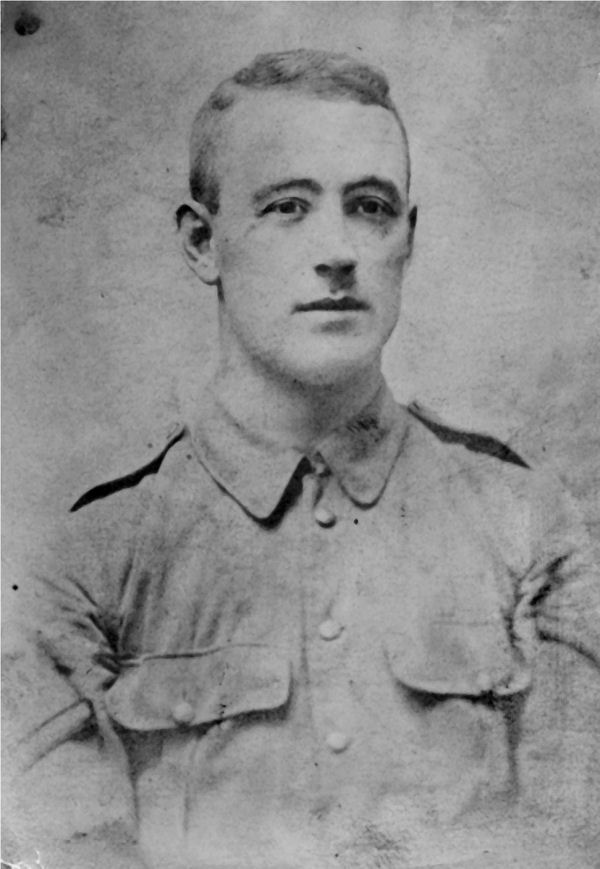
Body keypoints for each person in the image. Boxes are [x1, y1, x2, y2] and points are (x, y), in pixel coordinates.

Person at [3, 49, 600, 869]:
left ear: (408, 240)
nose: (338, 251)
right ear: (202, 242)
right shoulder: (90, 564)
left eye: (370, 207)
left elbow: (576, 837)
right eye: (288, 207)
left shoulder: (526, 522)